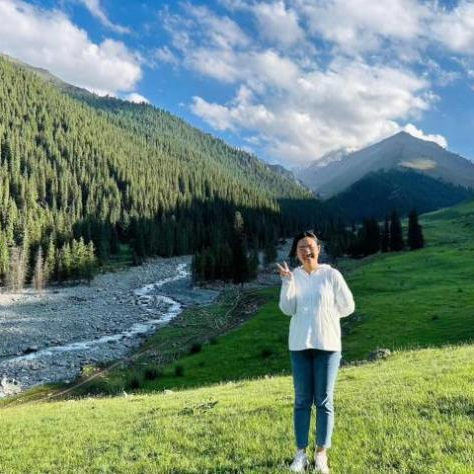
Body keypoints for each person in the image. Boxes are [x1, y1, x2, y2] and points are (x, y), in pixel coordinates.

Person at [276, 230, 355, 473]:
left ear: (318, 249)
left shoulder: (331, 275)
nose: (306, 251)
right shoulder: (294, 276)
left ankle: (321, 454)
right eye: (301, 247)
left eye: (310, 246)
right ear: (296, 253)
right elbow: (287, 309)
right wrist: (286, 282)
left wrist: (327, 317)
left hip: (328, 346)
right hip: (299, 345)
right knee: (302, 401)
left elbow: (348, 306)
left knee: (324, 401)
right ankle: (300, 454)